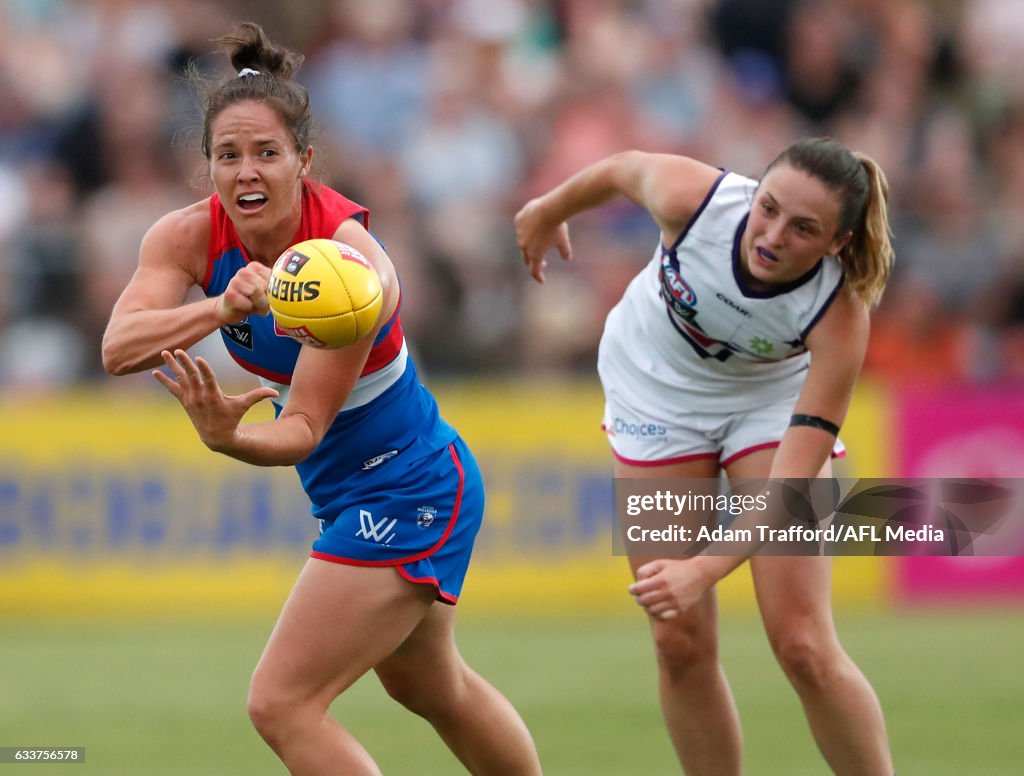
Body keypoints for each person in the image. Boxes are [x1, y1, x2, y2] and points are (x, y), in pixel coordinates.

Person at [102, 23, 541, 776]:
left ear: (304, 162)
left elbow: (302, 425)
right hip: (355, 488)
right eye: (228, 154)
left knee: (280, 703)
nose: (248, 170)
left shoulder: (347, 266)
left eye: (268, 153)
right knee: (431, 686)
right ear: (205, 165)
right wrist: (219, 309)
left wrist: (228, 438)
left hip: (409, 483)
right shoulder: (187, 237)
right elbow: (118, 348)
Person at [515, 138, 895, 776]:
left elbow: (788, 492)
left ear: (838, 242)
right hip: (656, 394)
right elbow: (620, 168)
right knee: (679, 641)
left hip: (769, 404)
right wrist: (549, 210)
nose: (772, 235)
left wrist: (705, 569)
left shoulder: (839, 314)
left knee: (803, 645)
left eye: (804, 228)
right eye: (768, 208)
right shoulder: (698, 201)